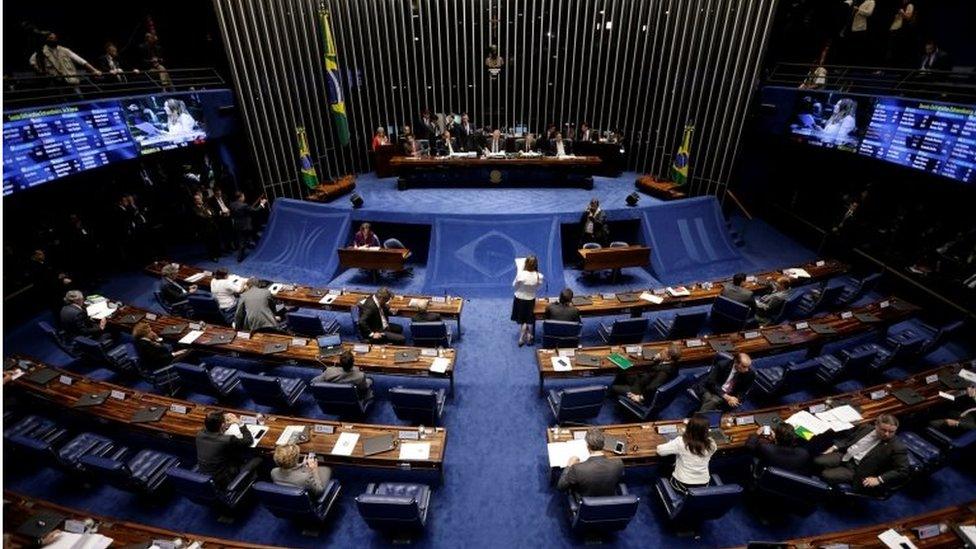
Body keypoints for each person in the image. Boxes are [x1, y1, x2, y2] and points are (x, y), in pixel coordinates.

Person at [814, 414, 910, 493]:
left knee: (826, 474)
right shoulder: (866, 428)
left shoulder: (897, 447)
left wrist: (879, 479)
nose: (887, 434)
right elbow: (849, 439)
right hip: (846, 456)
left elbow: (903, 470)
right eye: (884, 430)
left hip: (858, 470)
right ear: (876, 425)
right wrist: (834, 447)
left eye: (891, 432)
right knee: (817, 460)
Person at [195, 411, 263, 488]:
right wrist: (240, 423)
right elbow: (248, 440)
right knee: (258, 458)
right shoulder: (227, 440)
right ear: (222, 425)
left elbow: (211, 428)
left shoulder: (199, 435)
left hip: (204, 476)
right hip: (225, 479)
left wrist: (223, 423)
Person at [556, 428, 625, 497]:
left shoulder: (577, 468)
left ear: (587, 446)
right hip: (609, 499)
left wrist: (569, 466)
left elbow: (561, 487)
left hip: (586, 500)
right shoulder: (618, 463)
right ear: (604, 445)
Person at [656, 415, 717, 492]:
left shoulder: (681, 442)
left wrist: (677, 439)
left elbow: (660, 451)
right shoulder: (712, 444)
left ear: (689, 428)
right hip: (704, 483)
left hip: (683, 485)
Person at [611, 344, 682, 402]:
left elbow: (652, 388)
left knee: (613, 388)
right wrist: (656, 359)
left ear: (668, 357)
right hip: (643, 379)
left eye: (663, 351)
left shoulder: (663, 373)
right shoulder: (674, 364)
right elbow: (657, 368)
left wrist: (640, 397)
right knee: (623, 370)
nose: (660, 352)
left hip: (638, 390)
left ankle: (614, 392)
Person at [29, 32, 101, 86]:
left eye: (55, 38)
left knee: (78, 99)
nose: (54, 39)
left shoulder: (64, 50)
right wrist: (39, 71)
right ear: (46, 39)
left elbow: (80, 60)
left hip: (70, 80)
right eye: (51, 38)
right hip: (54, 82)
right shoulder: (42, 52)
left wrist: (94, 70)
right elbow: (32, 61)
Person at [745, 422, 811, 474]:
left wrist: (757, 433)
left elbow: (749, 446)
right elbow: (808, 437)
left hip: (766, 477)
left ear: (776, 437)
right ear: (793, 439)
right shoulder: (803, 454)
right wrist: (775, 439)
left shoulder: (766, 448)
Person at [512, 255, 544, 346]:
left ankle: (521, 338)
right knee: (527, 319)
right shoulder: (539, 276)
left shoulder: (521, 275)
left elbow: (514, 286)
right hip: (531, 299)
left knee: (523, 320)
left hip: (519, 298)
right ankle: (529, 335)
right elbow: (537, 287)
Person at [28, 249, 73, 314]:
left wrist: (60, 275)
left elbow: (52, 273)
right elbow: (45, 281)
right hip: (51, 293)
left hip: (57, 288)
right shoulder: (35, 268)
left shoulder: (44, 262)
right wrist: (60, 280)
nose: (43, 255)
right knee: (59, 310)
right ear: (34, 257)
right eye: (40, 254)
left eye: (42, 253)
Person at [192, 193, 221, 261]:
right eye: (198, 199)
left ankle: (217, 253)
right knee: (209, 243)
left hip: (213, 225)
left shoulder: (205, 205)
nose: (200, 200)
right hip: (205, 228)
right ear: (195, 201)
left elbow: (213, 212)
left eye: (200, 198)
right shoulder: (194, 208)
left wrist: (210, 214)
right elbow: (202, 216)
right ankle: (213, 256)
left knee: (215, 240)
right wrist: (208, 214)